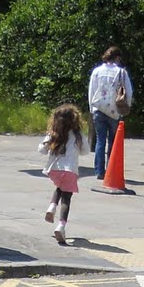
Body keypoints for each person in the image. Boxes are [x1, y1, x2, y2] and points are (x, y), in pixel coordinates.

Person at [38, 104, 84, 246]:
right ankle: (61, 226)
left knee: (60, 187)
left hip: (54, 170)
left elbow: (41, 149)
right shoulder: (77, 135)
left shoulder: (54, 133)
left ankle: (52, 207)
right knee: (66, 198)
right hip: (69, 170)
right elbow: (86, 150)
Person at [87, 46, 132, 180]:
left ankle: (99, 171)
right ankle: (110, 171)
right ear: (117, 58)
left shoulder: (97, 71)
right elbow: (128, 91)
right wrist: (127, 106)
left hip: (99, 108)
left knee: (100, 140)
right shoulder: (121, 72)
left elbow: (91, 90)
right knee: (113, 141)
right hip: (115, 110)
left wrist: (91, 108)